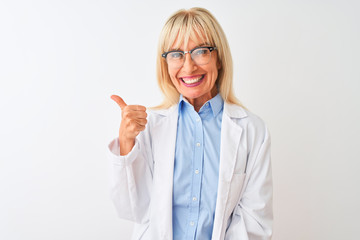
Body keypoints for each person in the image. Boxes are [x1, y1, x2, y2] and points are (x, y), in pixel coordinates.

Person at [108, 7, 273, 240]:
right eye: (176, 54)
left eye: (200, 52)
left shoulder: (252, 130)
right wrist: (126, 142)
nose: (188, 66)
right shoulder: (150, 126)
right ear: (165, 64)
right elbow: (131, 209)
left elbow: (255, 222)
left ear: (219, 59)